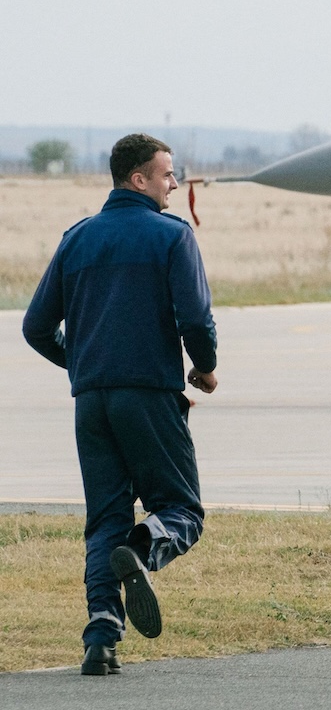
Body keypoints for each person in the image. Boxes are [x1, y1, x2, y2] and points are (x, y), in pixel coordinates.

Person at [21, 133, 218, 676]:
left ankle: (101, 638)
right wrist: (204, 368)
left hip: (92, 401)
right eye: (167, 174)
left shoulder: (76, 238)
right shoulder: (172, 237)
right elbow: (195, 319)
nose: (174, 182)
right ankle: (143, 545)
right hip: (149, 396)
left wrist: (84, 364)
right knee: (181, 511)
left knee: (104, 518)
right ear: (139, 179)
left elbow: (36, 327)